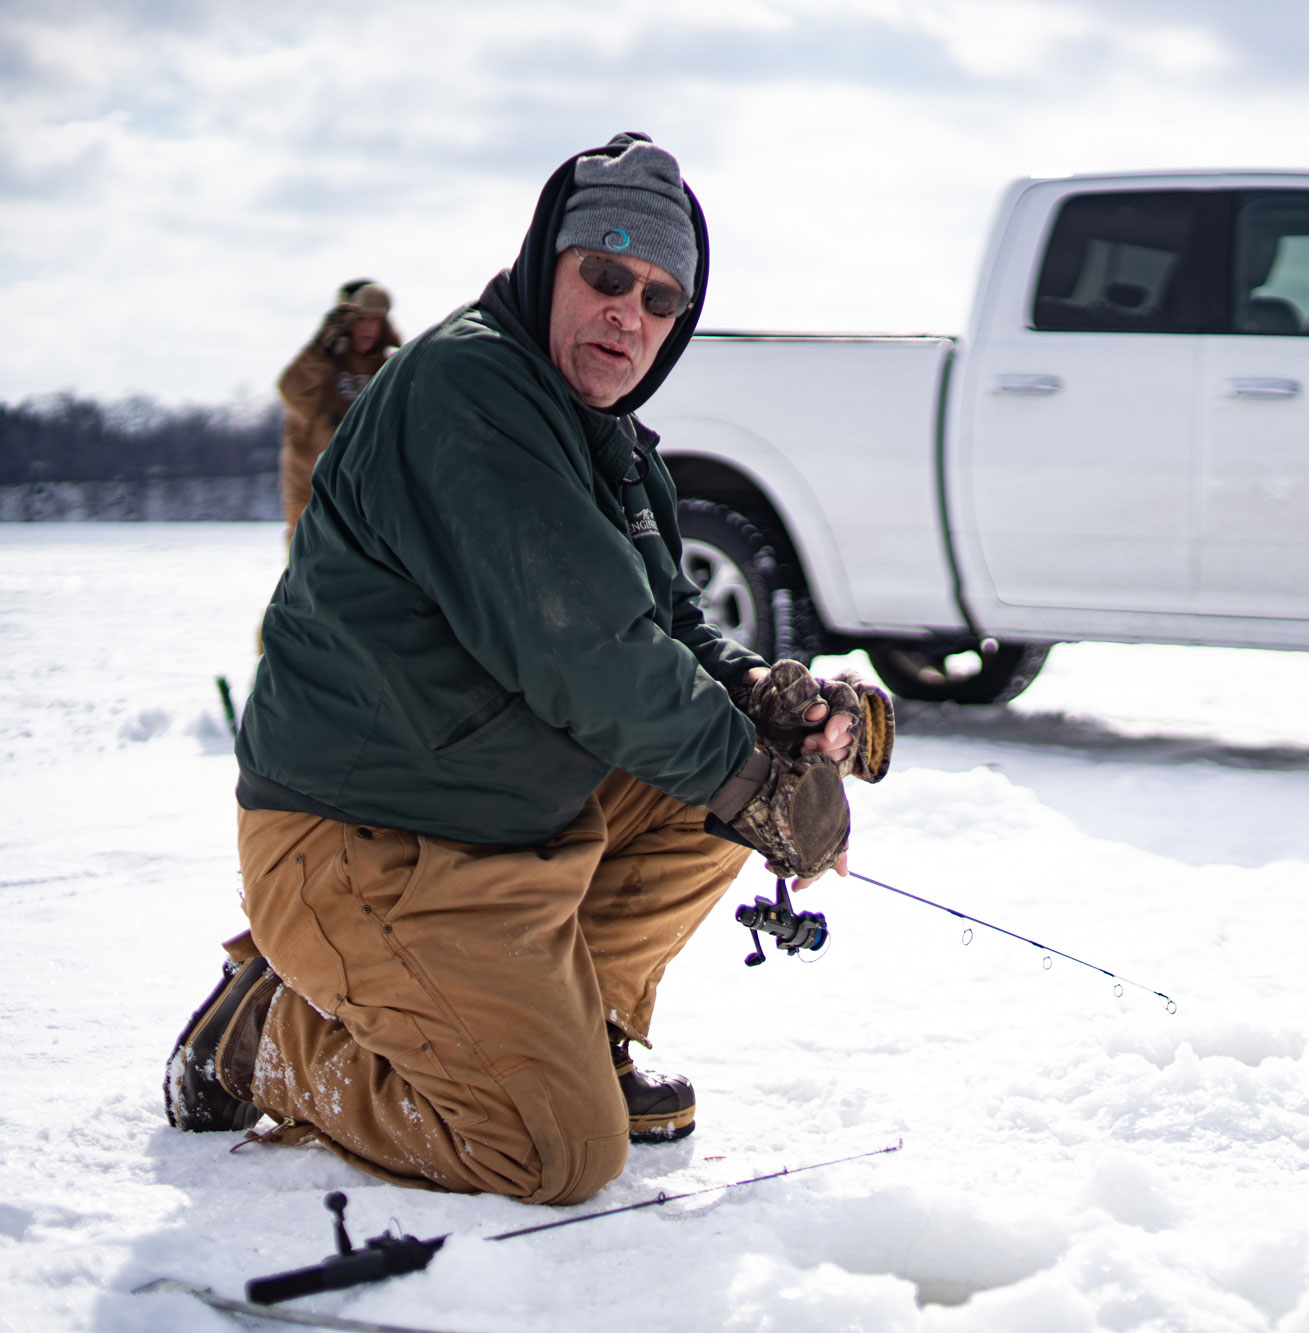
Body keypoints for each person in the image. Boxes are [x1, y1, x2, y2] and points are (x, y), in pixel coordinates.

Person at [164, 133, 891, 1207]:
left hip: (489, 813)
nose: (628, 315)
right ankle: (274, 1034)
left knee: (722, 762)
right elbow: (590, 656)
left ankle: (569, 1026)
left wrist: (763, 701)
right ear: (546, 262)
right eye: (605, 276)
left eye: (657, 299)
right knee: (550, 1151)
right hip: (368, 839)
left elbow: (664, 629)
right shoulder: (468, 389)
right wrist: (754, 786)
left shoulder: (604, 436)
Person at [277, 279, 401, 541]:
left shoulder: (391, 369)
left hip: (368, 500)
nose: (368, 328)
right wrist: (319, 349)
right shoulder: (321, 366)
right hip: (313, 496)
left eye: (375, 320)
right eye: (360, 319)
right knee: (311, 574)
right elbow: (292, 392)